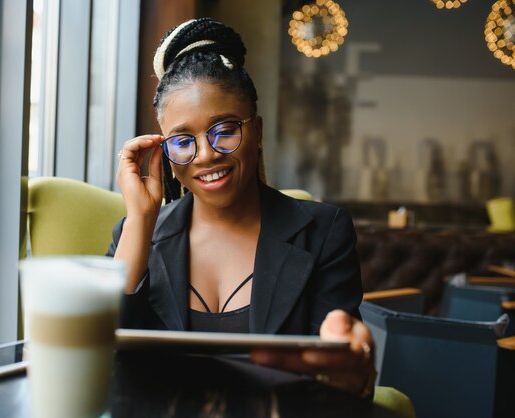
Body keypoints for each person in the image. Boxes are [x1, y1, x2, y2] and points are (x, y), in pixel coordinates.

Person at [107, 17, 376, 398]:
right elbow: (98, 356)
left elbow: (341, 379)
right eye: (183, 140)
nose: (205, 155)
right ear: (164, 151)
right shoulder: (135, 235)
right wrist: (141, 218)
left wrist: (354, 370)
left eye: (226, 130)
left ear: (258, 132)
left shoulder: (323, 231)